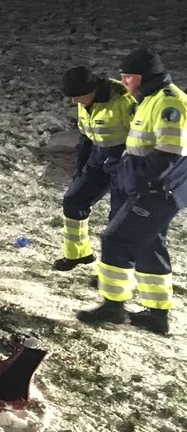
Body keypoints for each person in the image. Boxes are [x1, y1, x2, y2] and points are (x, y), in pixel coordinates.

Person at [77, 48, 187, 335]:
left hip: (157, 191)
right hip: (155, 189)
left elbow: (170, 153)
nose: (123, 81)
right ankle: (158, 314)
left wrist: (144, 184)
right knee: (149, 243)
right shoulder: (149, 99)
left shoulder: (169, 103)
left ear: (144, 76)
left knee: (115, 238)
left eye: (128, 76)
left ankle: (113, 305)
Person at [53, 66, 134, 271]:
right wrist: (81, 167)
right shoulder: (85, 98)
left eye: (77, 97)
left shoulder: (124, 101)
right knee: (73, 200)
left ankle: (114, 271)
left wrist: (131, 167)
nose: (74, 102)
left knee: (118, 218)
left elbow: (144, 136)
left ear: (92, 90)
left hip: (125, 161)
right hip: (99, 156)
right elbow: (86, 136)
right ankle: (78, 254)